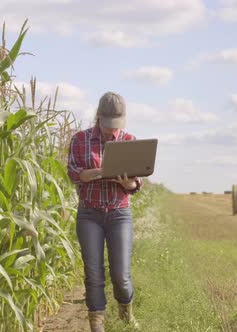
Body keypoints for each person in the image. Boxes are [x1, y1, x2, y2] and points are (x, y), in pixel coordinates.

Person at [67, 92, 142, 332]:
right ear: (98, 116)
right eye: (107, 125)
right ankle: (97, 324)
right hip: (90, 214)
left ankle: (126, 313)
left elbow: (136, 182)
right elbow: (74, 174)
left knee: (121, 274)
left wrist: (127, 183)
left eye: (116, 126)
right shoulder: (80, 140)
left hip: (119, 213)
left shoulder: (130, 140)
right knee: (93, 273)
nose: (112, 132)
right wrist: (101, 171)